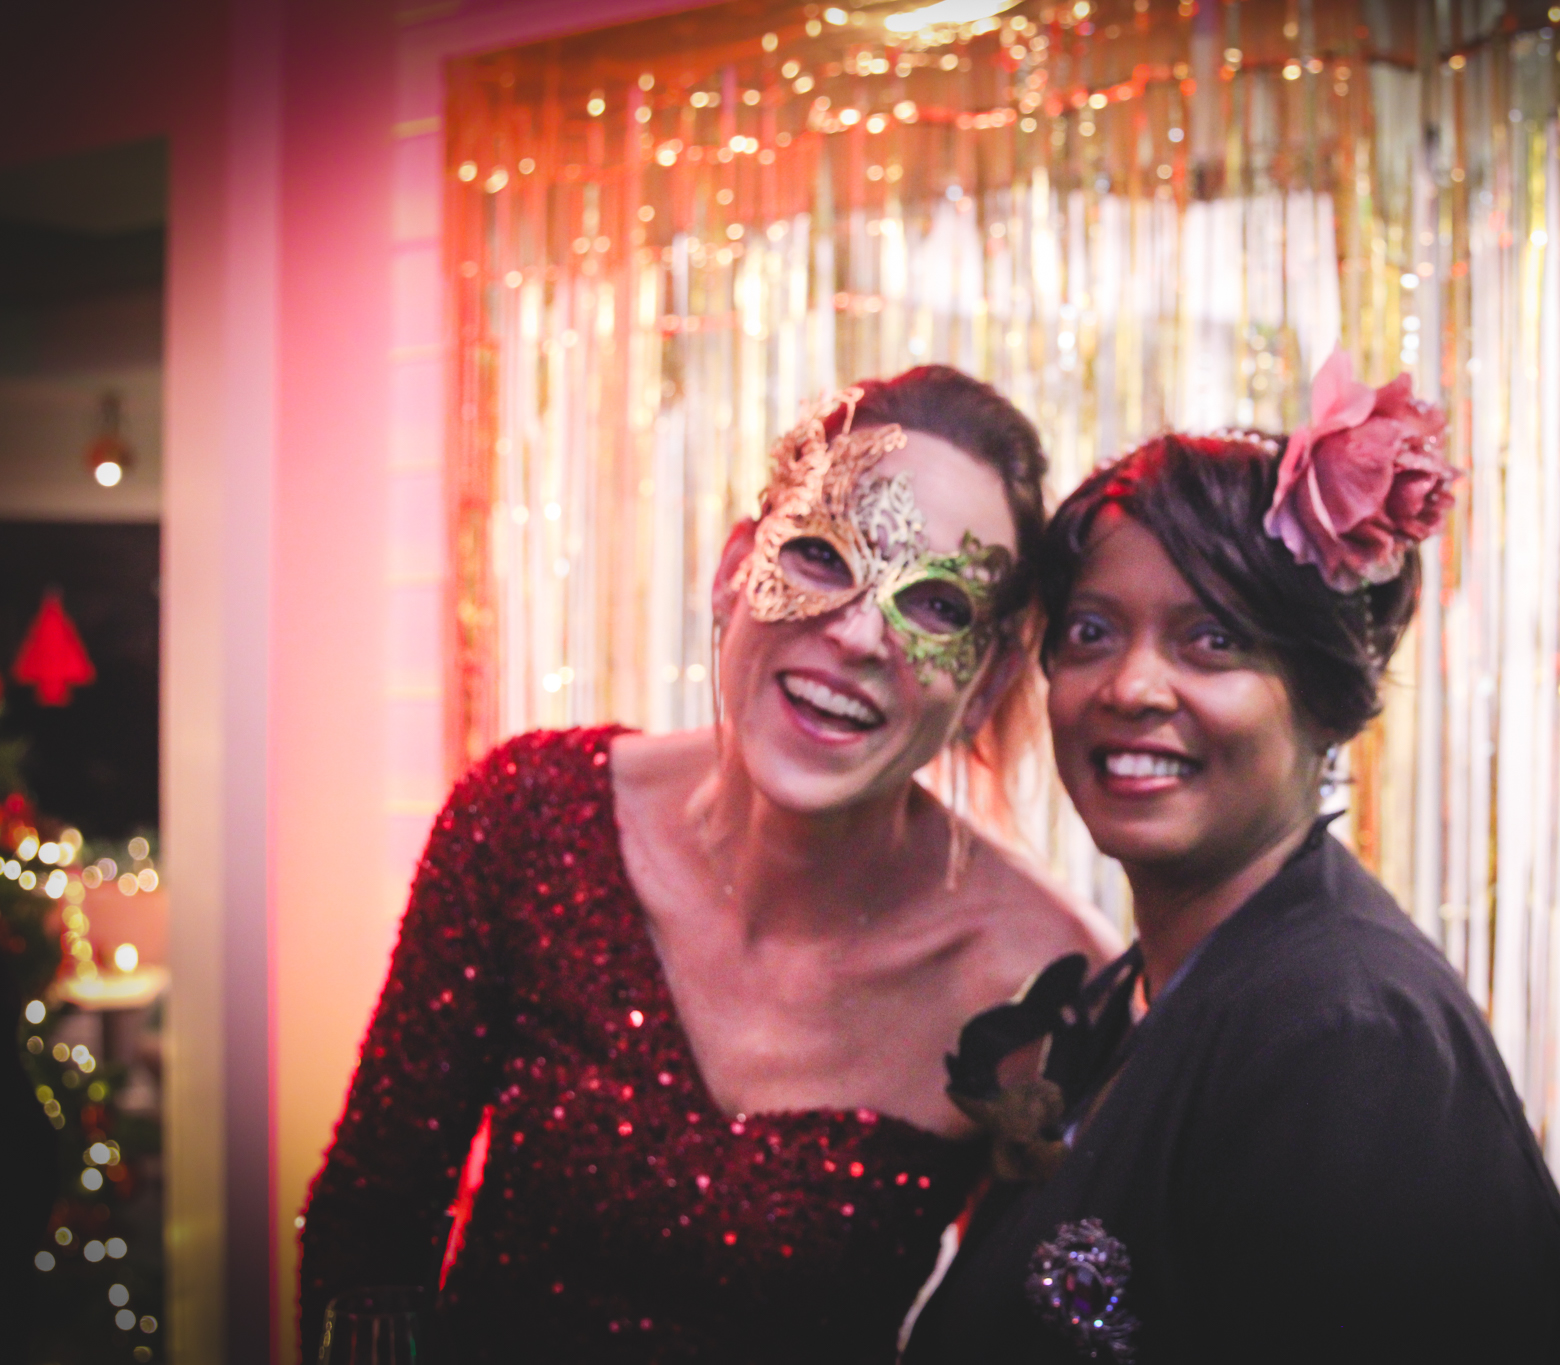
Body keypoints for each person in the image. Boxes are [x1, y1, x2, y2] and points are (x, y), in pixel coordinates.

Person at [299, 366, 1117, 1363]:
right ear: (735, 570)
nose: (857, 632)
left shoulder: (1046, 987)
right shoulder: (528, 816)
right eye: (820, 553)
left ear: (986, 681)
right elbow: (370, 1228)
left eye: (937, 605)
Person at [904, 353, 1560, 1364]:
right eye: (1091, 632)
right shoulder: (1135, 994)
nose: (1131, 686)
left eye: (1213, 640)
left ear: (1323, 697)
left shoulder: (1349, 1040)